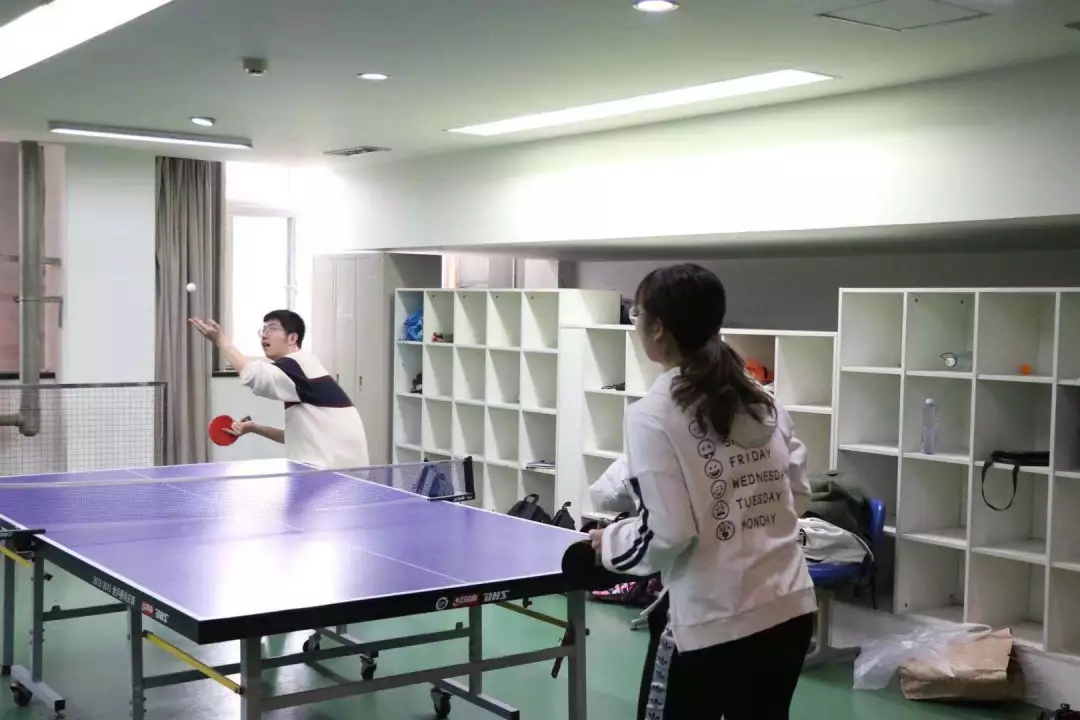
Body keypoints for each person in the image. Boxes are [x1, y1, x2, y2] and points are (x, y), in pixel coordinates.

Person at [589, 263, 815, 720]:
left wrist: (608, 544)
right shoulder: (763, 400)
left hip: (710, 622)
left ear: (658, 329)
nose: (635, 323)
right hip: (788, 610)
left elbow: (669, 533)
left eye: (637, 313)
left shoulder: (652, 415)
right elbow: (798, 495)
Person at [189, 310, 369, 470]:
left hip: (336, 473)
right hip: (343, 471)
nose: (264, 335)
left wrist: (221, 341)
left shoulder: (298, 364)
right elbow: (293, 437)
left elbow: (253, 376)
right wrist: (253, 427)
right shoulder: (301, 371)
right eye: (263, 330)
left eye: (272, 328)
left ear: (292, 338)